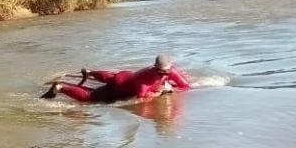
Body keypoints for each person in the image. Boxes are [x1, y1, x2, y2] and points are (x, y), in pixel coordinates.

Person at [41, 54, 191, 103]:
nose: (166, 75)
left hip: (124, 75)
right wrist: (162, 92)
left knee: (110, 77)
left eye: (168, 72)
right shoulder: (146, 80)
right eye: (162, 73)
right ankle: (59, 87)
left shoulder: (171, 71)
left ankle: (90, 72)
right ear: (156, 70)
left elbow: (185, 86)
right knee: (90, 97)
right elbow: (141, 98)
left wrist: (173, 89)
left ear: (171, 67)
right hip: (120, 85)